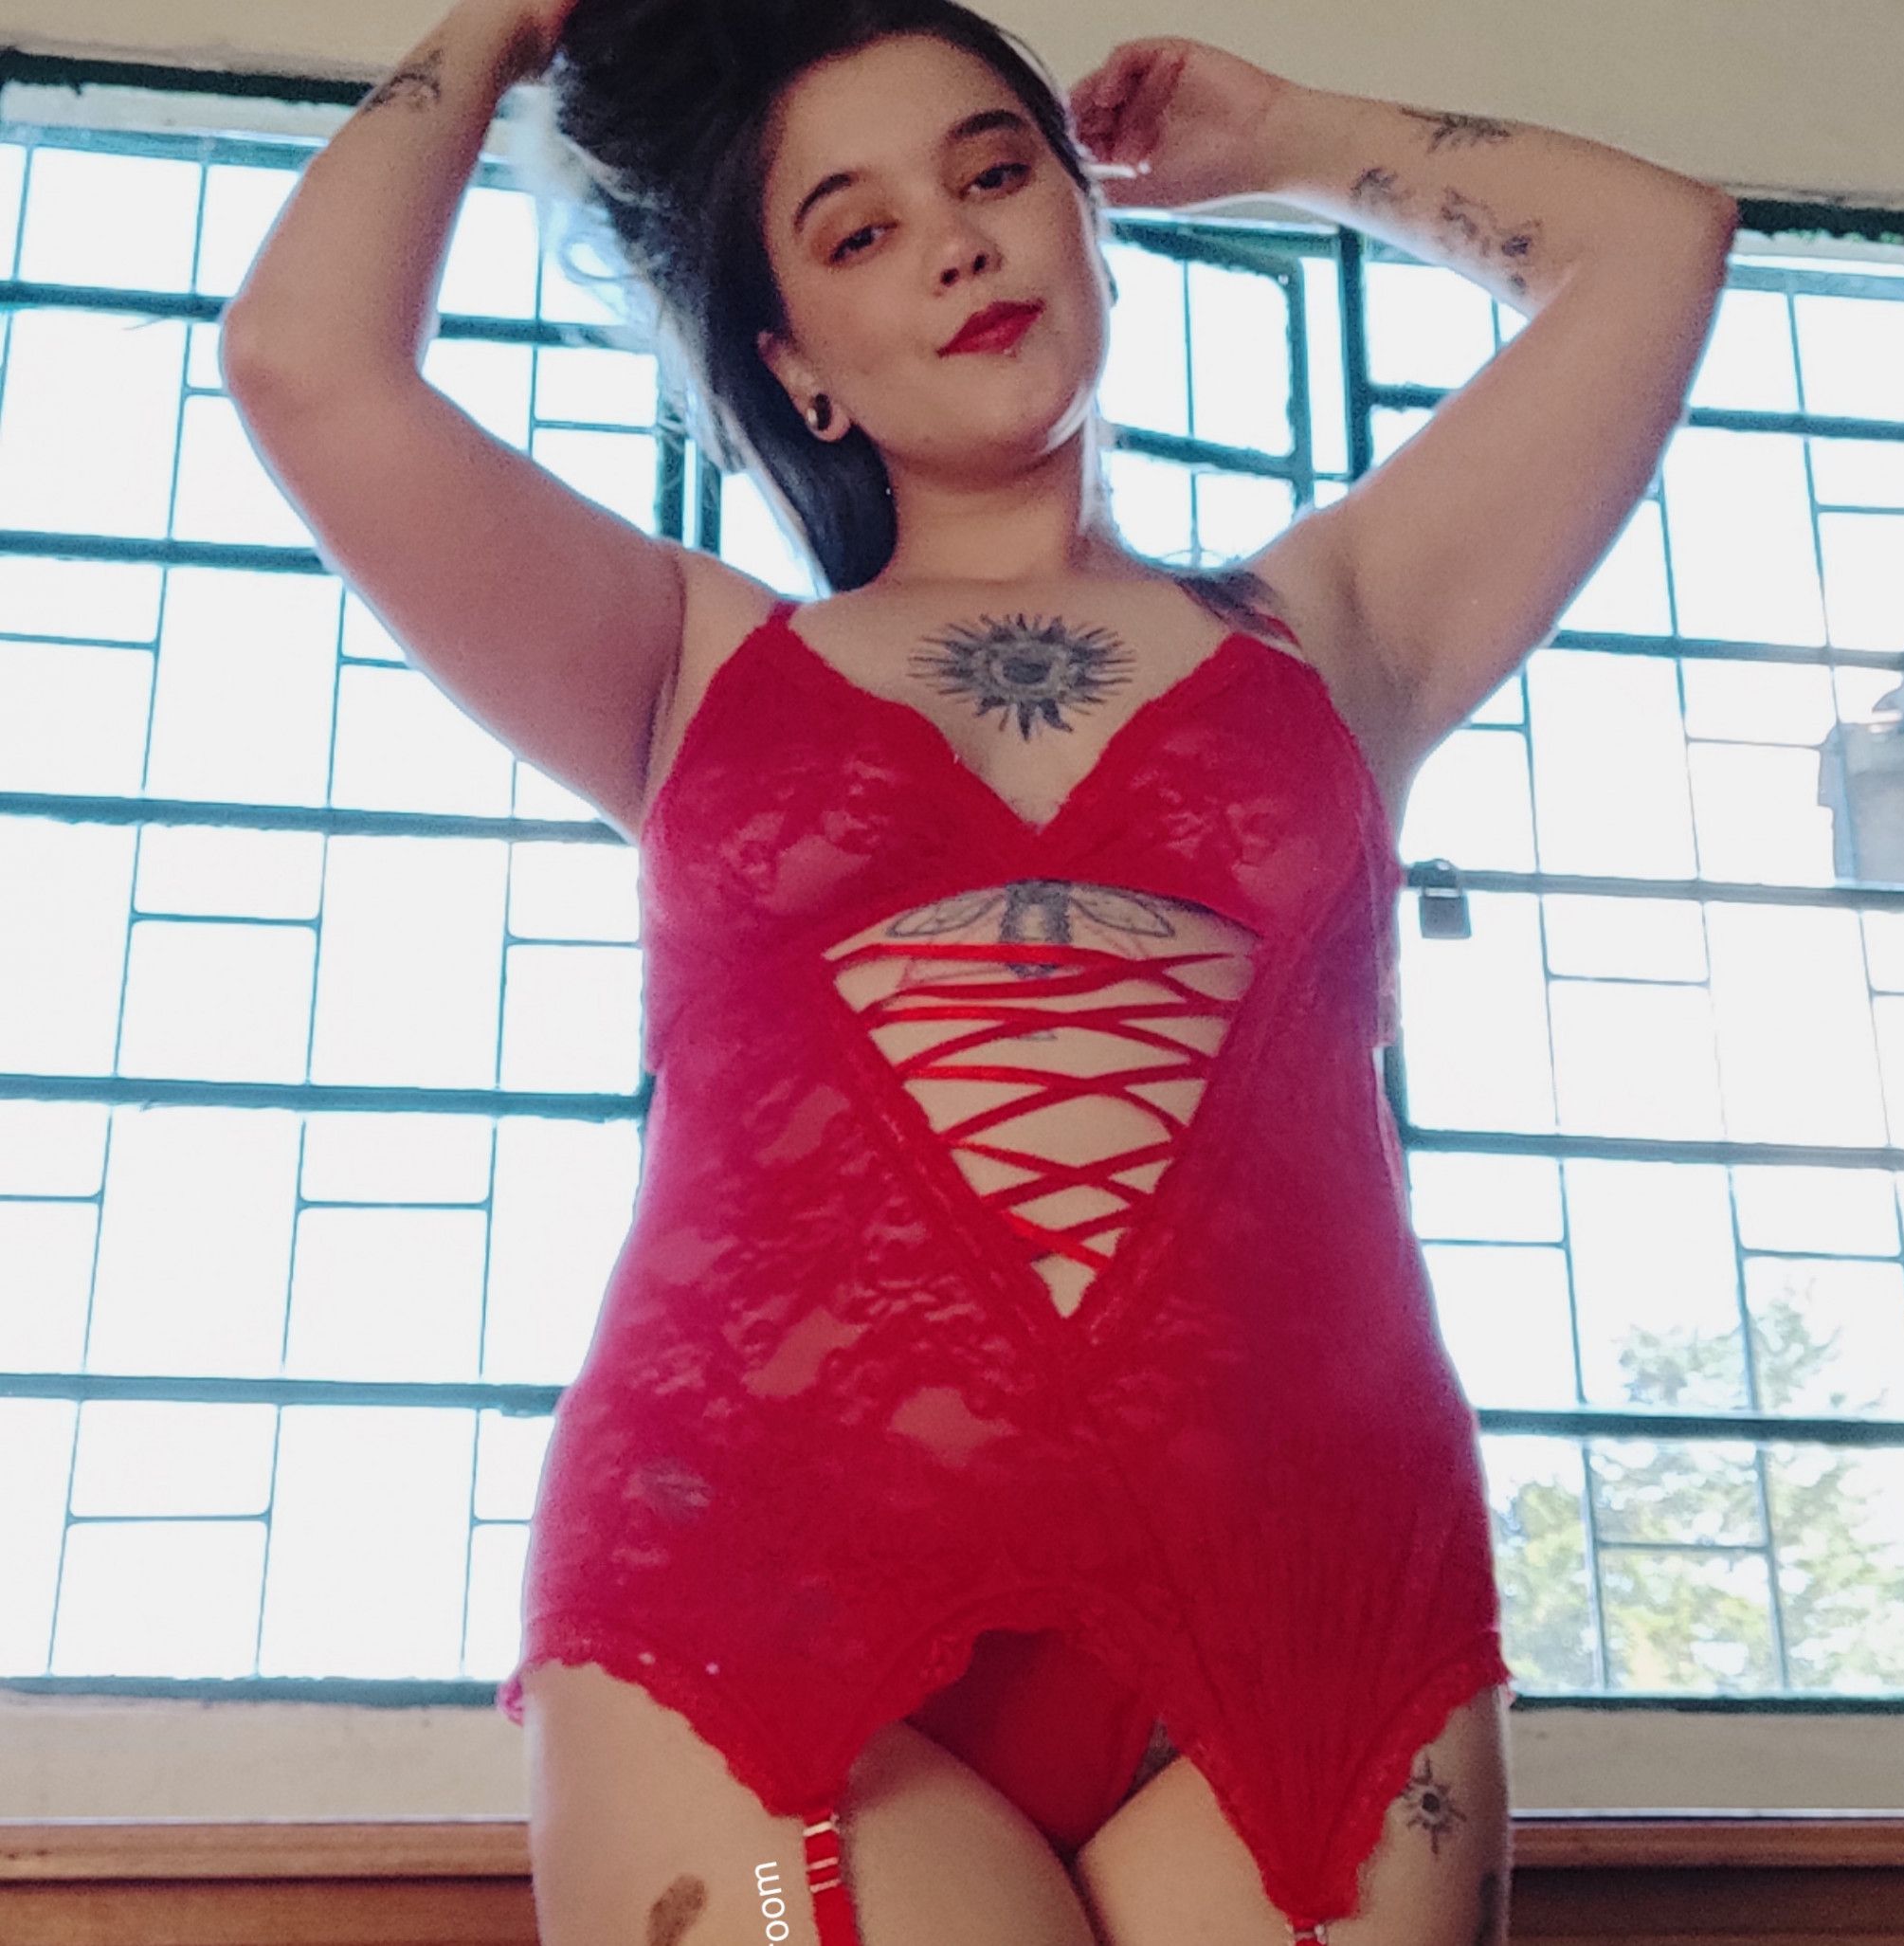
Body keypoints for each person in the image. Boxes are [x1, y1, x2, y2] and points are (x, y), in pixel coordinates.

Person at [220, 1, 1739, 1939]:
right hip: (753, 1588)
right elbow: (304, 362)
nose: (952, 243)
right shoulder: (680, 660)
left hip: (1316, 1577)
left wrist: (1286, 137)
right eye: (856, 231)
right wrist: (511, 22)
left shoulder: (1346, 625)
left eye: (996, 174)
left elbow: (1654, 247)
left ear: (1087, 223)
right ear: (794, 367)